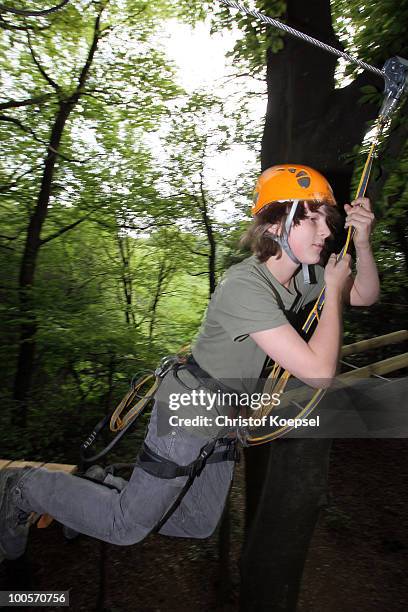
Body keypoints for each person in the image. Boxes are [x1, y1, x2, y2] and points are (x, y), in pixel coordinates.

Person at [0, 164, 379, 561]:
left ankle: (100, 486)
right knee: (125, 526)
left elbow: (366, 295)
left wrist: (364, 242)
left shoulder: (304, 277)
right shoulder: (245, 286)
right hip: (190, 409)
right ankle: (22, 486)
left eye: (326, 220)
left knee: (198, 521)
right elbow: (318, 372)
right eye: (311, 220)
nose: (326, 231)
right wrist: (334, 290)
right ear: (274, 226)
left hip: (223, 419)